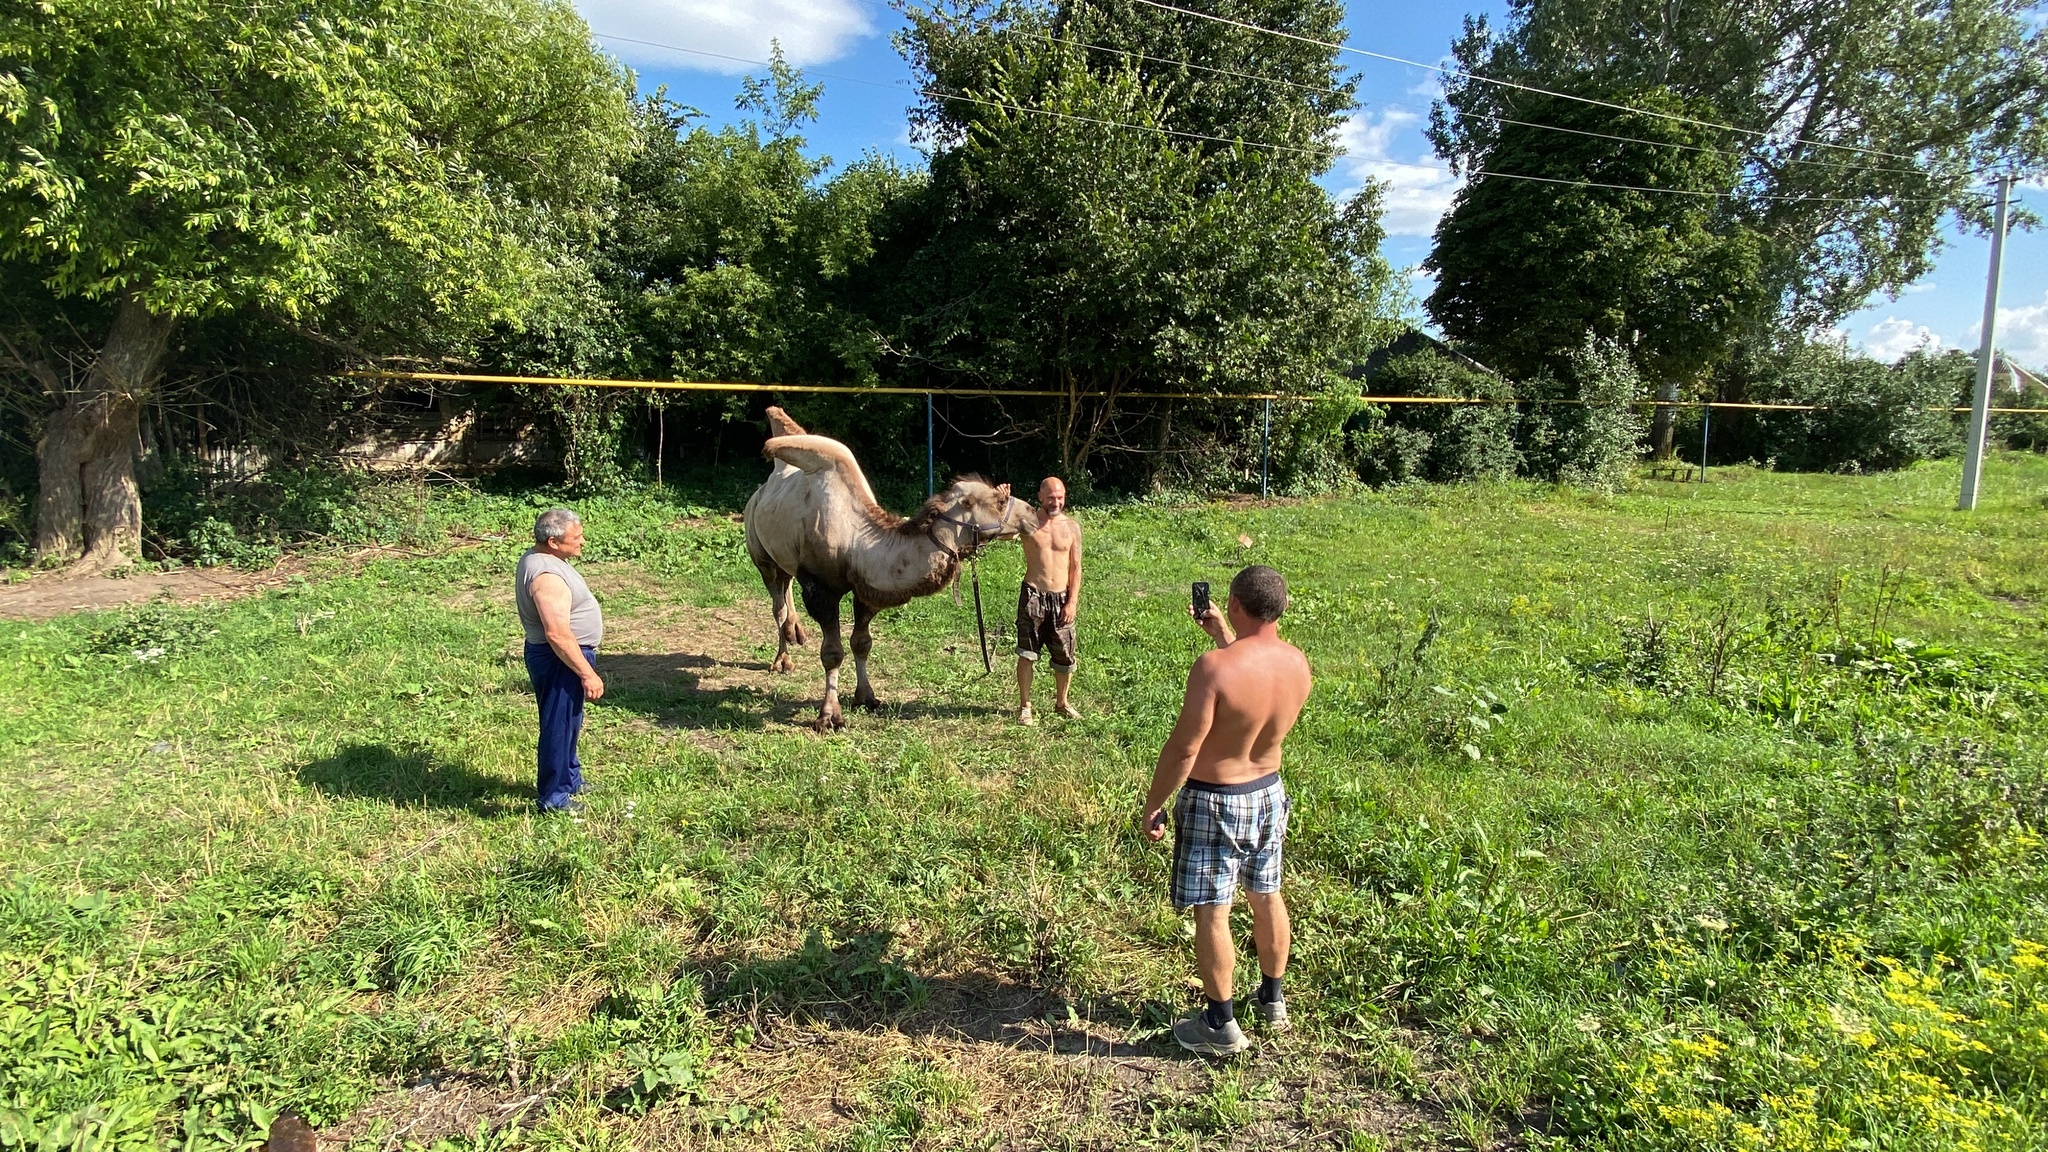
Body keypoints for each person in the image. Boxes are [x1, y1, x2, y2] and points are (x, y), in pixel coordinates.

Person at [1139, 565, 1312, 1056]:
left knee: (1213, 911)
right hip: (1268, 791)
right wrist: (1225, 636)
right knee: (1267, 893)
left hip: (1216, 800)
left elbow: (1184, 749)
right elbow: (1251, 683)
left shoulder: (1214, 668)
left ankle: (1219, 1023)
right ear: (1280, 607)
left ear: (1234, 602)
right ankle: (1273, 1000)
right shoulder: (1297, 663)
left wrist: (1155, 804)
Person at [516, 508, 604, 814]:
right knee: (558, 724)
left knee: (569, 721)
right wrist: (587, 673)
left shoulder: (548, 559)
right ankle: (554, 799)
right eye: (576, 538)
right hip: (560, 658)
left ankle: (570, 778)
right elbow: (557, 633)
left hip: (564, 656)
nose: (583, 542)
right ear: (553, 542)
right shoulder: (547, 577)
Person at [1015, 476, 1083, 725]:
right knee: (1027, 653)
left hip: (1061, 598)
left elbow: (1076, 568)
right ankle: (1025, 706)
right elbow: (999, 529)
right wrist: (1000, 497)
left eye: (1060, 497)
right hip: (1033, 595)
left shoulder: (1072, 527)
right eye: (1051, 497)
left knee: (1065, 656)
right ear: (1040, 497)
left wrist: (1072, 602)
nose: (1056, 502)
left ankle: (1062, 702)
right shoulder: (1029, 523)